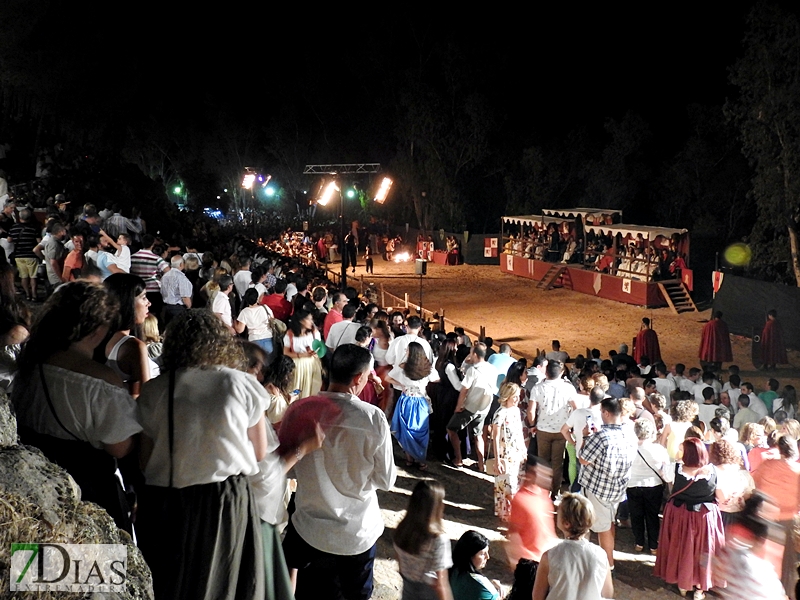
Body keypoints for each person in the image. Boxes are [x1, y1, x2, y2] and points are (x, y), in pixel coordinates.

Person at [136, 310, 269, 599]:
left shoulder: (155, 389)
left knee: (171, 580)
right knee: (223, 582)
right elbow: (258, 451)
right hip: (224, 500)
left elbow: (145, 460)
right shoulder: (241, 383)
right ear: (221, 343)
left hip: (166, 499)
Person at [11, 281, 140, 532]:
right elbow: (120, 447)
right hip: (85, 495)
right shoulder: (100, 381)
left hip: (34, 492)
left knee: (41, 567)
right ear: (96, 330)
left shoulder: (30, 363)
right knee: (88, 570)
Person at [282, 344, 397, 600]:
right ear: (359, 379)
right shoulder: (372, 418)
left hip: (309, 526)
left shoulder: (298, 410)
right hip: (356, 533)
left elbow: (290, 470)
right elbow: (386, 480)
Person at [654, 438, 726, 599]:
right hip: (704, 518)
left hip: (680, 515)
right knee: (703, 550)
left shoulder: (675, 468)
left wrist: (679, 459)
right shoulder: (714, 472)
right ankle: (700, 588)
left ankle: (682, 584)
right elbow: (721, 496)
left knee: (680, 547)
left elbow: (664, 476)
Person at [578, 396, 633, 570]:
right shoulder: (629, 435)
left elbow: (583, 459)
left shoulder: (600, 436)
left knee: (595, 526)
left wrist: (586, 436)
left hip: (598, 488)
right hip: (617, 488)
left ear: (607, 413)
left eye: (602, 412)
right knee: (608, 523)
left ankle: (607, 564)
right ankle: (606, 561)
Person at [532, 493, 614, 600]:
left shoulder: (550, 556)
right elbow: (608, 593)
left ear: (566, 523)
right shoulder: (601, 555)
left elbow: (537, 596)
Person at [751, 434, 800, 596]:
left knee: (765, 562)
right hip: (789, 522)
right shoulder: (797, 471)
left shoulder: (767, 465)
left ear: (779, 449)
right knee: (788, 566)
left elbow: (756, 486)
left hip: (766, 520)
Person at [393, 480, 454, 600]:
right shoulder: (438, 540)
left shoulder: (402, 528)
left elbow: (399, 562)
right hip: (428, 593)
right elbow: (441, 584)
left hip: (408, 589)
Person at [386, 341, 440, 470]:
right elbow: (437, 379)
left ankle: (409, 459)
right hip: (421, 402)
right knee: (420, 431)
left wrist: (402, 385)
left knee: (406, 430)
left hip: (406, 401)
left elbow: (387, 378)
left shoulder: (402, 367)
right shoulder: (428, 368)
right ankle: (421, 460)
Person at [99, 273, 153, 399]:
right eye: (143, 297)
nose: (148, 303)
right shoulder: (134, 347)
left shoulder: (100, 338)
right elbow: (147, 396)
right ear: (127, 302)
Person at [446, 342, 498, 471]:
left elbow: (464, 390)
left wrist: (459, 406)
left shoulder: (472, 371)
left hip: (470, 407)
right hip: (484, 408)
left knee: (451, 429)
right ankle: (481, 464)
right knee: (478, 434)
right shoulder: (493, 369)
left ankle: (458, 459)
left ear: (474, 354)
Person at [529, 360, 576, 499]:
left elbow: (531, 410)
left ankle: (542, 492)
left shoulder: (537, 388)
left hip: (542, 430)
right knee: (557, 464)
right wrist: (571, 426)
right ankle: (554, 493)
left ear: (546, 372)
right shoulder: (568, 388)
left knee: (543, 462)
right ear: (561, 373)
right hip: (561, 431)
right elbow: (576, 408)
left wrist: (532, 425)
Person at [627, 418, 671, 554]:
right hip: (654, 486)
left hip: (633, 484)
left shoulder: (629, 448)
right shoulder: (659, 449)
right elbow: (666, 470)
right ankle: (653, 545)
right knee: (652, 516)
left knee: (636, 515)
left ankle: (639, 542)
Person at [491, 382, 527, 521]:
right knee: (507, 485)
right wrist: (497, 459)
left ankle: (510, 513)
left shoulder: (516, 411)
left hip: (516, 453)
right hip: (504, 454)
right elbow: (494, 437)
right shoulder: (500, 413)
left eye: (518, 396)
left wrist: (523, 449)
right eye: (514, 396)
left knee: (515, 484)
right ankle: (509, 513)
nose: (517, 399)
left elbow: (519, 432)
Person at [449, 531, 502, 600]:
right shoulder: (482, 585)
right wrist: (499, 588)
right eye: (482, 554)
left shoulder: (450, 571)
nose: (487, 557)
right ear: (469, 555)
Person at [282, 309, 323, 399]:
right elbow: (286, 352)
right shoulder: (290, 334)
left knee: (312, 386)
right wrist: (302, 355)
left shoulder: (314, 332)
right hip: (297, 366)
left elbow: (319, 347)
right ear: (301, 321)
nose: (311, 322)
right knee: (296, 386)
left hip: (312, 364)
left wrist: (316, 352)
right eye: (309, 319)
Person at [235, 288, 275, 357]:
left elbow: (240, 330)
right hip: (268, 339)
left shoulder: (245, 312)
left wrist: (234, 322)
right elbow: (273, 320)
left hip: (254, 341)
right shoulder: (265, 308)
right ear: (257, 297)